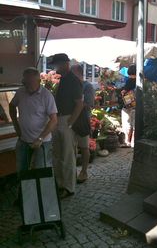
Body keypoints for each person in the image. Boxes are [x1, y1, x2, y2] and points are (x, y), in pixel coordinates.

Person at [9, 67, 57, 171]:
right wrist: (16, 125)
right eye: (26, 82)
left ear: (39, 81)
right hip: (23, 140)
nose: (28, 85)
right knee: (21, 170)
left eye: (31, 82)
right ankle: (23, 187)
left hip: (42, 142)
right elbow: (11, 106)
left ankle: (42, 188)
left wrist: (40, 138)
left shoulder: (46, 95)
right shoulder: (21, 92)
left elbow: (54, 120)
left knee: (41, 172)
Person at [51, 54, 84, 198]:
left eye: (56, 64)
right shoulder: (64, 79)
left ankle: (68, 187)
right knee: (58, 154)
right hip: (59, 119)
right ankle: (60, 184)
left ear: (65, 64)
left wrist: (70, 123)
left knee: (67, 155)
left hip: (66, 119)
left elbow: (79, 104)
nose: (55, 67)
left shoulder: (72, 80)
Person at [71, 64, 95, 183]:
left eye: (73, 72)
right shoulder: (69, 85)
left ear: (79, 73)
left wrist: (74, 105)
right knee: (71, 148)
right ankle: (72, 172)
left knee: (84, 147)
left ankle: (84, 171)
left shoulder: (87, 86)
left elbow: (88, 103)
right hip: (70, 121)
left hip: (82, 121)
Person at [121, 64, 136, 147]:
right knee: (134, 124)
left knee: (128, 123)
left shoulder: (129, 80)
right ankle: (134, 142)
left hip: (129, 105)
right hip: (137, 105)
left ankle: (127, 141)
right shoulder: (141, 80)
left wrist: (122, 92)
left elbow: (124, 92)